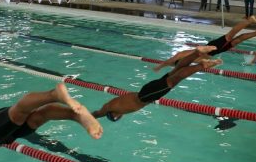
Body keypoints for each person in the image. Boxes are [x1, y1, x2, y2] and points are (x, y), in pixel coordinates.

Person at [92, 46, 223, 122]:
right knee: (175, 71)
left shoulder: (112, 109)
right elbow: (98, 111)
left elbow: (99, 113)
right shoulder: (113, 104)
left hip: (146, 96)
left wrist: (90, 119)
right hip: (145, 90)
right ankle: (196, 53)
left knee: (174, 80)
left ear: (114, 115)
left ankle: (201, 65)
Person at [0, 83, 103, 153]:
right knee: (40, 116)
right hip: (0, 137)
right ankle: (77, 115)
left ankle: (54, 95)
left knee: (18, 113)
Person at [153, 16, 256, 72]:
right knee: (237, 40)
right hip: (213, 51)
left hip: (212, 49)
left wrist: (159, 66)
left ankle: (249, 20)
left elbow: (174, 58)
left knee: (230, 35)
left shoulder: (182, 56)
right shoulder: (188, 60)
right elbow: (203, 61)